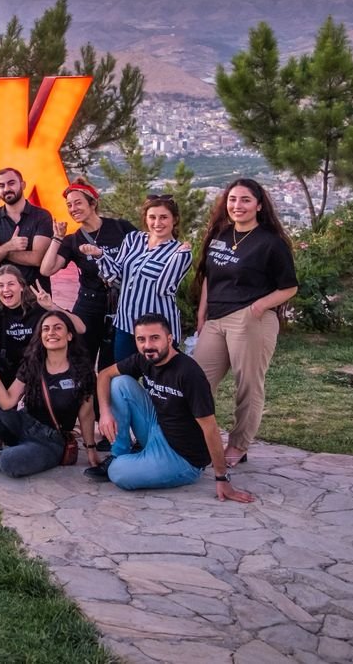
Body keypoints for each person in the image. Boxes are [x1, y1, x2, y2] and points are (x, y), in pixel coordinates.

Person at [89, 313, 256, 502]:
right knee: (120, 383)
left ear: (169, 339)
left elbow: (210, 428)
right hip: (157, 427)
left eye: (155, 338)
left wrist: (221, 477)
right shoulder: (144, 358)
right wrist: (105, 413)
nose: (148, 345)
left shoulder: (189, 373)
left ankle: (137, 461)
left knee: (118, 472)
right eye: (141, 339)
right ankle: (120, 453)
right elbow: (104, 374)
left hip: (181, 456)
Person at [193, 178, 299, 468]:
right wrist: (202, 313)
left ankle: (238, 445)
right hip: (216, 318)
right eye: (232, 199)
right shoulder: (221, 235)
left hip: (250, 319)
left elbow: (289, 287)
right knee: (197, 381)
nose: (237, 205)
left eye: (245, 200)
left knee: (248, 385)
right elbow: (209, 277)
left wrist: (258, 307)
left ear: (259, 205)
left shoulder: (270, 243)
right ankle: (196, 437)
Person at [0, 309, 102, 481]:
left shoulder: (82, 372)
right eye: (46, 329)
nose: (51, 333)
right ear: (40, 336)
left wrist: (91, 449)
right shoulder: (33, 364)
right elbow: (7, 402)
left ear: (69, 335)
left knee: (8, 462)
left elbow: (86, 414)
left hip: (50, 441)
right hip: (23, 423)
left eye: (57, 328)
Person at [40, 182, 134, 369]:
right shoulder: (73, 240)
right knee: (81, 362)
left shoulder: (120, 228)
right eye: (69, 205)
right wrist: (57, 238)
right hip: (88, 306)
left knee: (112, 364)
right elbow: (46, 269)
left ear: (92, 203)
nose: (73, 209)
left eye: (78, 203)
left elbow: (147, 249)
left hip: (121, 305)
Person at [88, 195, 193, 360]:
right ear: (146, 219)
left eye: (163, 217)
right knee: (124, 372)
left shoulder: (180, 252)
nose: (157, 223)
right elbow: (116, 277)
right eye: (152, 217)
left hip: (157, 330)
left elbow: (163, 288)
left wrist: (178, 257)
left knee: (156, 374)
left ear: (175, 219)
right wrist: (100, 255)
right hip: (126, 323)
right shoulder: (133, 239)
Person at [0, 264, 83, 386]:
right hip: (10, 372)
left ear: (21, 286)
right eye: (1, 285)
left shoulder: (38, 308)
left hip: (38, 370)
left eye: (11, 284)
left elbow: (81, 328)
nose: (6, 289)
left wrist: (51, 307)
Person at [0, 167, 56, 293]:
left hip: (36, 295)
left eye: (11, 183)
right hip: (2, 295)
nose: (6, 189)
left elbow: (37, 259)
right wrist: (9, 246)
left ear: (23, 185)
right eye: (1, 186)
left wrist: (0, 249)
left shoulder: (42, 216)